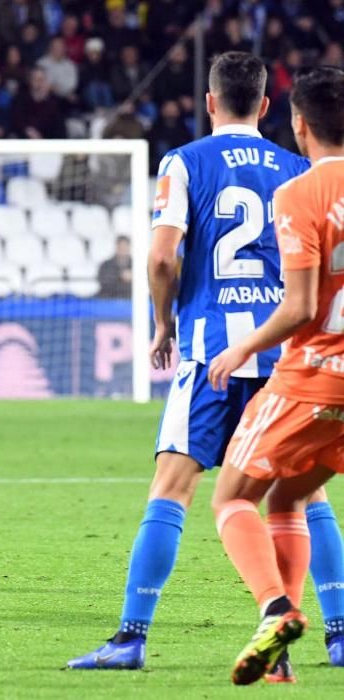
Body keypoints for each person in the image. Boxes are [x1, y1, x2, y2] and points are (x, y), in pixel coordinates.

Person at [67, 52, 344, 677]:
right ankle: (338, 633)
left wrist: (164, 323)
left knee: (173, 488)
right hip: (284, 354)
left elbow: (163, 257)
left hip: (210, 349)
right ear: (269, 108)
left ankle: (131, 638)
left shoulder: (184, 162)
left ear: (211, 102)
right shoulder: (300, 170)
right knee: (304, 497)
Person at [207, 66, 344, 686]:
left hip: (311, 378)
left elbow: (297, 307)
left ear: (297, 125)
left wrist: (240, 351)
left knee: (232, 496)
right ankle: (279, 653)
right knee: (289, 496)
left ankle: (275, 608)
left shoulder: (298, 194)